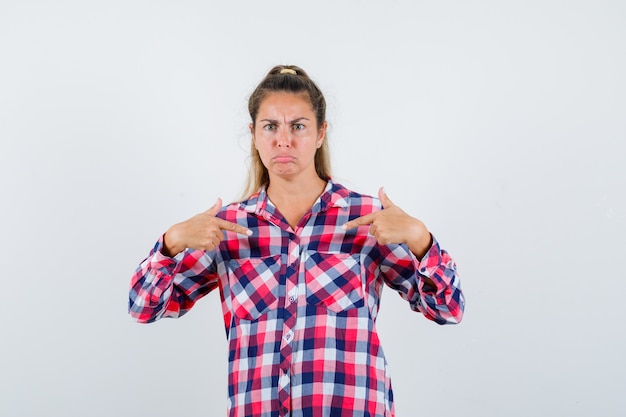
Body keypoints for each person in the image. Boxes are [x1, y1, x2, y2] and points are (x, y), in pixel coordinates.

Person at [128, 65, 464, 417]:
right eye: (270, 126)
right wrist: (172, 241)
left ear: (321, 133)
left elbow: (448, 309)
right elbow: (143, 307)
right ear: (254, 134)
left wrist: (420, 238)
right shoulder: (226, 229)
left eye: (298, 126)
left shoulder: (367, 219)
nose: (283, 140)